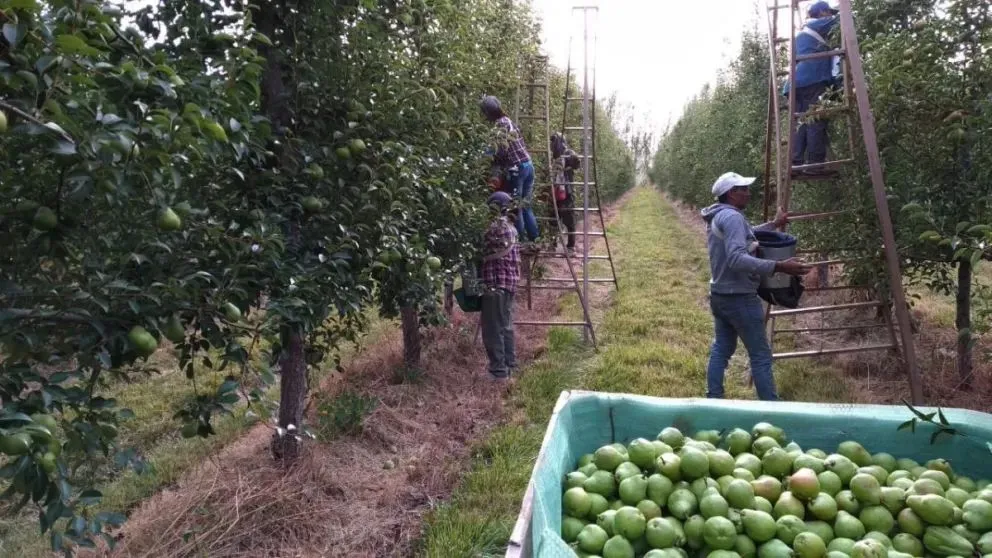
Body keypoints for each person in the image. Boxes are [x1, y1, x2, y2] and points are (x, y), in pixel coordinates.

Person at [700, 172, 812, 401]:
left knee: (722, 347)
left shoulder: (720, 215)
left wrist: (774, 224)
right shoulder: (731, 217)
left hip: (720, 294)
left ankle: (714, 399)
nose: (748, 194)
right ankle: (771, 407)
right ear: (732, 193)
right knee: (760, 355)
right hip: (739, 297)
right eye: (744, 189)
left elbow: (746, 234)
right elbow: (736, 258)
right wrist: (779, 266)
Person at [786, 0, 841, 177]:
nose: (830, 15)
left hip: (796, 83)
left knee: (802, 123)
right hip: (813, 79)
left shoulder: (801, 34)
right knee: (816, 120)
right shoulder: (817, 25)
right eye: (828, 12)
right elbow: (844, 20)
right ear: (822, 13)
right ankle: (815, 165)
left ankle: (795, 163)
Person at [480, 95, 540, 244]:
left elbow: (497, 150)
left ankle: (518, 241)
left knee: (515, 207)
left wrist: (484, 160)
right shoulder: (509, 121)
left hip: (517, 169)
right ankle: (535, 240)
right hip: (528, 165)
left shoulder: (499, 126)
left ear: (488, 113)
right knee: (525, 206)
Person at [480, 191, 521, 380]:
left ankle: (498, 372)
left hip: (495, 284)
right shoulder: (511, 228)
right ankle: (510, 365)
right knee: (505, 325)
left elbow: (477, 246)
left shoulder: (495, 227)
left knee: (493, 328)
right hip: (509, 284)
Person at [550, 132, 581, 254]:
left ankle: (571, 247)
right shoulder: (553, 156)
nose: (552, 145)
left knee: (569, 220)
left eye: (553, 142)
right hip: (555, 192)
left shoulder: (568, 153)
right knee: (553, 219)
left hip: (566, 192)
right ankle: (552, 244)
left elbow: (576, 162)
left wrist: (569, 159)